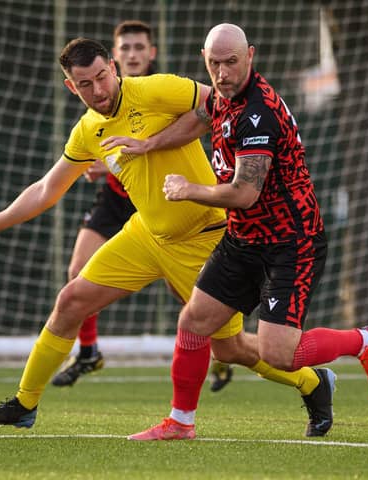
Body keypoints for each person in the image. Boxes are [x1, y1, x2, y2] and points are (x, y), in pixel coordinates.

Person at [0, 37, 335, 438]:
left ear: (114, 68)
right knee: (70, 299)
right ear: (71, 87)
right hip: (147, 235)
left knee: (230, 349)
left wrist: (157, 144)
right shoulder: (87, 131)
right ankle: (24, 404)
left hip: (202, 238)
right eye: (85, 84)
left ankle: (312, 382)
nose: (98, 90)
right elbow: (46, 189)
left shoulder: (154, 88)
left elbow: (215, 106)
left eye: (102, 77)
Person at [101, 24, 368, 441]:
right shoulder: (222, 95)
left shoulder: (260, 112)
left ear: (250, 56)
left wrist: (189, 190)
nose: (221, 73)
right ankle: (181, 423)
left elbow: (245, 193)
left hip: (291, 241)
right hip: (244, 240)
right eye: (214, 63)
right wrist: (149, 145)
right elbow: (200, 118)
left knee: (280, 353)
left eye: (231, 62)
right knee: (194, 323)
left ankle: (364, 340)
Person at [51, 20, 234, 393]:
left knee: (189, 297)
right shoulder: (95, 98)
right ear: (115, 54)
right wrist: (97, 165)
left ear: (149, 54)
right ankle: (87, 351)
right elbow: (91, 151)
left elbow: (208, 109)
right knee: (77, 271)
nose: (132, 54)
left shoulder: (157, 89)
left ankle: (220, 352)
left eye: (139, 48)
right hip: (122, 198)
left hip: (170, 201)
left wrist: (143, 147)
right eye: (125, 48)